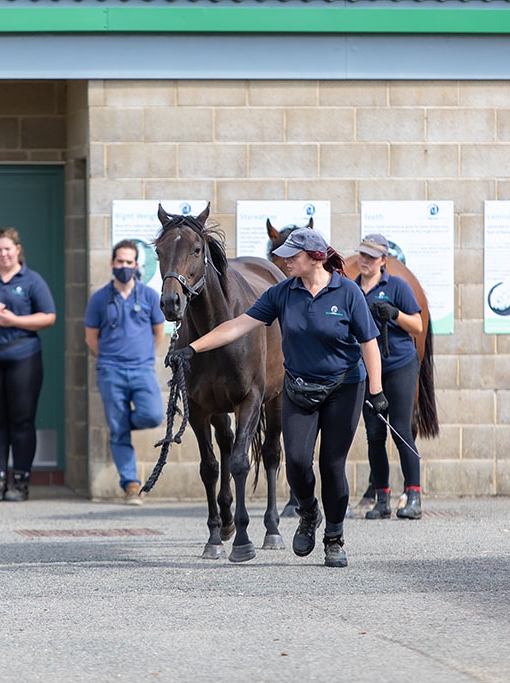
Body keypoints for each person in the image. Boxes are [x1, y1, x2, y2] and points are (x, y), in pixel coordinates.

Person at [167, 228, 388, 568]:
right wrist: (191, 348)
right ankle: (309, 512)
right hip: (300, 386)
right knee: (297, 464)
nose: (283, 261)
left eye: (292, 256)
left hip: (344, 387)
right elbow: (238, 325)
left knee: (331, 465)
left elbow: (368, 342)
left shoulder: (346, 292)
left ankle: (334, 536)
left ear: (314, 258)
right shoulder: (282, 292)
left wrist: (377, 391)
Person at [0, 228, 56, 502]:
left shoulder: (31, 280)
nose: (3, 254)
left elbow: (48, 317)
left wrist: (15, 320)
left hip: (23, 357)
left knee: (22, 420)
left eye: (7, 249)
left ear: (17, 249)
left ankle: (20, 482)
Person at [84, 240, 165, 505]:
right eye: (119, 261)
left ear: (137, 265)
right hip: (110, 371)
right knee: (118, 433)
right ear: (112, 263)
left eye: (129, 262)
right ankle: (131, 484)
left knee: (153, 415)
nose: (124, 266)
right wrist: (109, 359)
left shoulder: (150, 296)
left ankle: (119, 422)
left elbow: (158, 333)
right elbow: (90, 338)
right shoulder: (99, 298)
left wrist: (141, 357)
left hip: (142, 369)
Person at [355, 233, 424, 520]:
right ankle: (381, 498)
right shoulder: (351, 290)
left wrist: (394, 313)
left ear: (383, 260)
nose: (365, 261)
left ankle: (413, 495)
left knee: (400, 430)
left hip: (399, 364)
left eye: (371, 257)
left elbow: (417, 326)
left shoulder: (396, 286)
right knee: (374, 436)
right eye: (362, 255)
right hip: (369, 371)